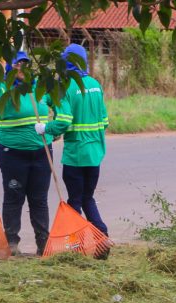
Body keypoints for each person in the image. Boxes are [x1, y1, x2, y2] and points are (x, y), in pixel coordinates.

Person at [0, 52, 71, 256]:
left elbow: (63, 111)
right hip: (12, 153)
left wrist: (51, 128)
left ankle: (43, 243)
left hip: (41, 152)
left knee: (39, 199)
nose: (22, 69)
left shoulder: (41, 89)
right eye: (17, 65)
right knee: (14, 197)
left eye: (25, 64)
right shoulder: (2, 88)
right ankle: (11, 244)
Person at [56, 43, 111, 259]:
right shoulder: (95, 85)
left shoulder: (67, 87)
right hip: (95, 155)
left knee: (74, 202)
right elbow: (105, 121)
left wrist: (47, 130)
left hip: (75, 156)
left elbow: (63, 121)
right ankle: (102, 237)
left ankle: (76, 245)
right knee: (88, 198)